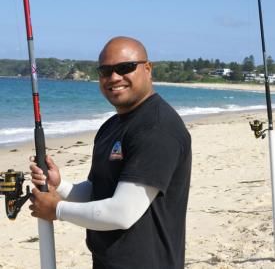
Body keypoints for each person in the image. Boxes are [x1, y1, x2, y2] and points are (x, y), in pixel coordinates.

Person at [29, 36, 192, 269]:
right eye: (105, 71)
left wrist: (56, 209)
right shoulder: (112, 126)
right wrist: (61, 186)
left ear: (148, 69)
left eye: (125, 68)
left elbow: (122, 213)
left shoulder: (158, 128)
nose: (114, 77)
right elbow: (99, 190)